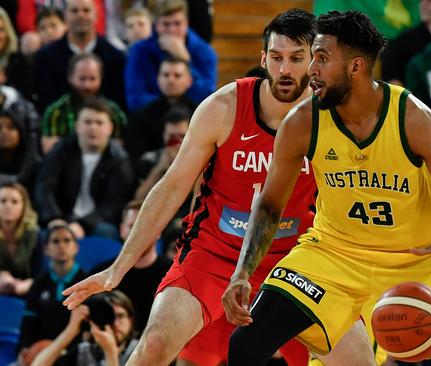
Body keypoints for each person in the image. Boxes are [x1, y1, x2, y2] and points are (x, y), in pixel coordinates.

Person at [61, 9, 375, 366]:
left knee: (358, 360)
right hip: (216, 251)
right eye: (276, 58)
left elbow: (366, 195)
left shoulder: (335, 117)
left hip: (299, 258)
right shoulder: (223, 108)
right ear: (263, 59)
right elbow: (171, 187)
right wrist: (119, 267)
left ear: (315, 62)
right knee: (154, 344)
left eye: (296, 59)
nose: (285, 70)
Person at [222, 10, 431, 366]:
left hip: (416, 259)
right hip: (332, 254)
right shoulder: (302, 123)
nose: (311, 70)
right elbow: (268, 208)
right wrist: (242, 272)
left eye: (322, 59)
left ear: (355, 67)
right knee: (245, 344)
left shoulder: (413, 119)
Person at [34, 97, 133, 240]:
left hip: (98, 222)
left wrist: (83, 224)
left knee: (106, 232)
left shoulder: (119, 159)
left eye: (99, 123)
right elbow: (44, 187)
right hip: (62, 217)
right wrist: (54, 218)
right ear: (77, 126)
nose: (93, 127)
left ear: (110, 128)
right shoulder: (61, 150)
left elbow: (113, 205)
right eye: (87, 122)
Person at [90, 201, 172, 334]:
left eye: (145, 227)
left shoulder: (174, 275)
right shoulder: (100, 275)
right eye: (132, 226)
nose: (138, 234)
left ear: (159, 231)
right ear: (122, 230)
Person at [124, 0, 216, 111]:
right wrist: (170, 105)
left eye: (177, 24)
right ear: (156, 25)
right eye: (166, 24)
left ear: (186, 24)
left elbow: (207, 99)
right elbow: (135, 100)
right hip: (152, 118)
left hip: (190, 117)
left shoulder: (205, 51)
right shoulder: (139, 50)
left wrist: (186, 60)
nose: (172, 30)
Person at [33, 0, 125, 111]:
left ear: (96, 15)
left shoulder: (115, 57)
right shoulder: (45, 58)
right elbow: (45, 101)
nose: (81, 15)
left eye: (86, 10)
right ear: (65, 16)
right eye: (74, 11)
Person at [18, 224, 86, 355]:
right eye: (55, 241)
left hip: (77, 354)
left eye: (67, 240)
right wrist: (24, 349)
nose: (61, 245)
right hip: (42, 353)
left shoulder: (86, 282)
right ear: (45, 249)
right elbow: (29, 324)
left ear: (76, 247)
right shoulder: (38, 284)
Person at [40, 53, 127, 154]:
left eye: (92, 79)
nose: (87, 86)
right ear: (70, 78)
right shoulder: (56, 112)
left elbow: (120, 152)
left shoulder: (114, 112)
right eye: (82, 79)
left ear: (101, 79)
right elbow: (50, 153)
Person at [32, 290, 139, 366]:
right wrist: (71, 330)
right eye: (109, 317)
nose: (114, 323)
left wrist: (110, 353)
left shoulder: (141, 350)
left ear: (131, 320)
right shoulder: (84, 350)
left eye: (120, 316)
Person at [0, 181, 39, 296]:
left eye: (14, 202)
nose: (8, 206)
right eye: (2, 201)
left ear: (24, 206)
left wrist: (29, 284)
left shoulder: (35, 235)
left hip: (26, 293)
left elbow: (40, 274)